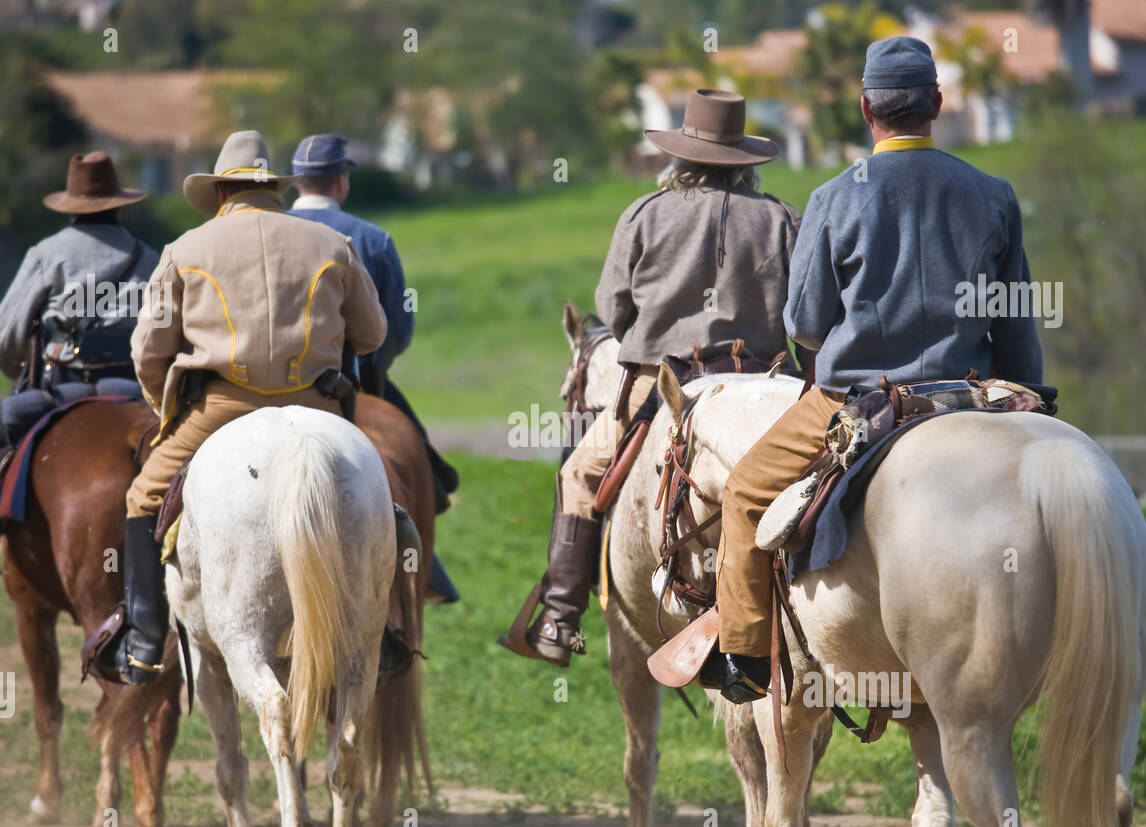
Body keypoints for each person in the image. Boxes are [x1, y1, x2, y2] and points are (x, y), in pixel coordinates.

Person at [693, 37, 1044, 704]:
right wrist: (1031, 391)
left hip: (856, 398)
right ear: (937, 105)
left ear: (865, 108)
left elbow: (804, 323)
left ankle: (743, 658)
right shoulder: (993, 194)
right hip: (968, 394)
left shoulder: (834, 198)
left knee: (742, 494)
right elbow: (1018, 321)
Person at [499, 89, 802, 667]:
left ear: (681, 157)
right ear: (744, 161)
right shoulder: (782, 220)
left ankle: (560, 620)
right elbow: (804, 315)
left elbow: (613, 313)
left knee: (581, 474)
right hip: (765, 387)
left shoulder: (644, 214)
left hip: (658, 391)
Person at [81, 130, 387, 686]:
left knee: (142, 498)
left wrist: (163, 405)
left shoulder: (185, 249)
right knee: (380, 499)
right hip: (316, 405)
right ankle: (383, 629)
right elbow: (372, 334)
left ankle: (145, 638)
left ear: (221, 191)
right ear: (274, 188)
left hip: (218, 409)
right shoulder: (330, 244)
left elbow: (147, 350)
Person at [0, 151, 157, 584]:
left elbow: (5, 337)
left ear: (70, 204)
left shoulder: (48, 254)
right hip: (141, 397)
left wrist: (19, 374)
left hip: (64, 391)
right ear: (120, 203)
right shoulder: (151, 257)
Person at [288, 132, 460, 602]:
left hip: (269, 386)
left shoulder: (270, 233)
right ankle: (420, 560)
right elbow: (396, 329)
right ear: (341, 180)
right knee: (424, 466)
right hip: (355, 383)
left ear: (294, 182)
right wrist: (373, 364)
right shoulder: (373, 238)